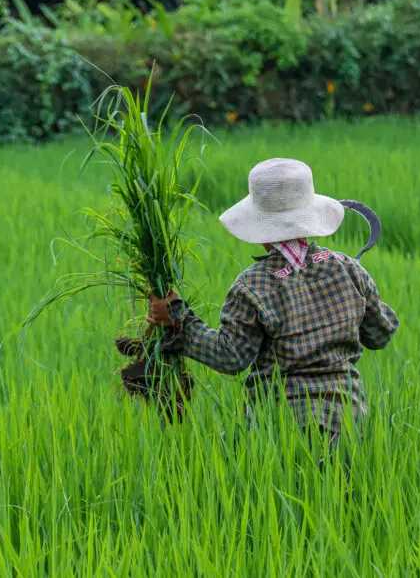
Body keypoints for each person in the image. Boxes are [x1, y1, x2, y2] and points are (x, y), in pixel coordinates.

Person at [146, 158, 399, 450]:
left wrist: (179, 318)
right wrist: (367, 299)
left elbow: (231, 357)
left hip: (276, 427)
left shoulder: (252, 286)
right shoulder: (348, 270)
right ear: (309, 216)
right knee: (342, 493)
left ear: (259, 227)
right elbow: (381, 335)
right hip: (347, 426)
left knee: (265, 490)